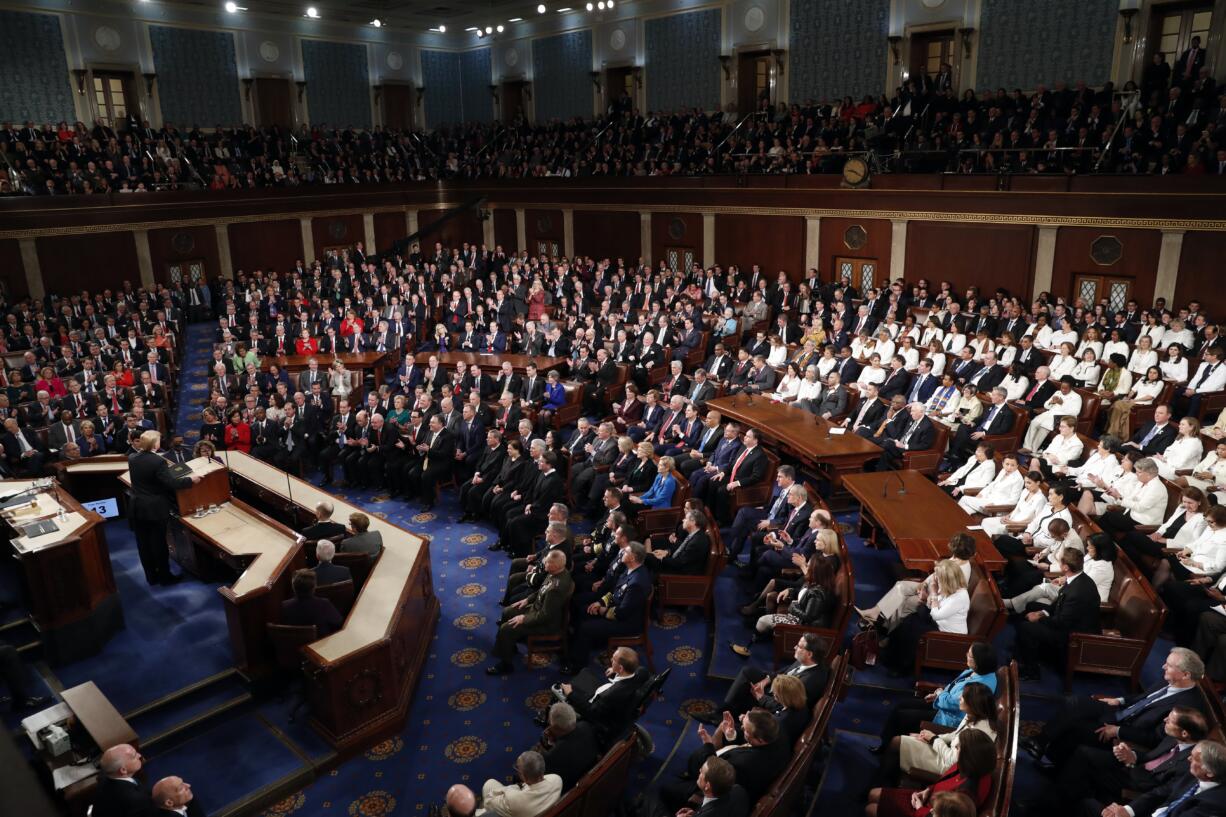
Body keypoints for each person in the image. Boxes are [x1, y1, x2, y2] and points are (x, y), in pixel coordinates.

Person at [1021, 647, 1208, 769]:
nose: (1162, 666)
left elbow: (1155, 738)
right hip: (1122, 712)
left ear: (1185, 674)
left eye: (1169, 665)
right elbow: (1144, 697)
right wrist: (1119, 700)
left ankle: (1053, 762)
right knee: (1075, 702)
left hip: (1129, 730)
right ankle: (1040, 742)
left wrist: (1118, 731)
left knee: (1079, 728)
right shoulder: (1169, 679)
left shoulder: (1186, 709)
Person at [874, 643, 998, 752]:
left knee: (902, 716)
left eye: (969, 655)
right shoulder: (978, 670)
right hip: (942, 705)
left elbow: (952, 704)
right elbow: (953, 686)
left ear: (978, 663)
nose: (966, 655)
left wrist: (940, 694)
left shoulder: (979, 686)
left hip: (948, 718)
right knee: (900, 705)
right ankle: (885, 743)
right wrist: (937, 694)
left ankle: (890, 749)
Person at [865, 729, 995, 817]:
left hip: (926, 810)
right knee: (873, 794)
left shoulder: (966, 795)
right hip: (928, 798)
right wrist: (927, 790)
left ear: (969, 755)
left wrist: (920, 808)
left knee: (870, 809)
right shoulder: (971, 765)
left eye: (958, 747)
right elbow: (944, 782)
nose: (955, 748)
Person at [128, 430, 199, 585]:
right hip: (154, 509)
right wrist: (191, 480)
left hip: (137, 507)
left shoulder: (132, 458)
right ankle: (165, 578)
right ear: (155, 443)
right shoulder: (158, 461)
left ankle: (151, 577)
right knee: (158, 544)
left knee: (144, 544)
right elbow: (171, 483)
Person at [487, 549, 572, 675]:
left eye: (547, 562)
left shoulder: (556, 588)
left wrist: (523, 618)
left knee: (506, 628)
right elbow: (542, 590)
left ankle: (506, 665)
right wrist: (527, 600)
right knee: (507, 612)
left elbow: (545, 616)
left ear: (555, 565)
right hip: (537, 609)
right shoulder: (556, 572)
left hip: (545, 623)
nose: (544, 563)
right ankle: (509, 647)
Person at [881, 560, 970, 673]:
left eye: (938, 577)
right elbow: (931, 606)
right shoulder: (948, 588)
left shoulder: (960, 597)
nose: (935, 579)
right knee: (909, 620)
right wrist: (927, 598)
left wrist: (933, 593)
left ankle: (900, 667)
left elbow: (936, 614)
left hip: (948, 634)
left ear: (947, 579)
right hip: (938, 623)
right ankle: (890, 655)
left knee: (912, 633)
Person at [1097, 740, 1226, 817]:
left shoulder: (1214, 804)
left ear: (1209, 772)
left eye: (1195, 759)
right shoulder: (1193, 774)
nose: (1188, 759)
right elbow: (1160, 792)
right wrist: (1127, 810)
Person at [537, 703, 599, 791]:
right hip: (592, 773)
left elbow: (544, 780)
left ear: (555, 727)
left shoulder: (551, 756)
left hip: (571, 789)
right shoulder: (586, 725)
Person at [479, 751, 562, 817]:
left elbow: (488, 801)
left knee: (489, 784)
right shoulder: (557, 779)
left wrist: (509, 789)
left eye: (517, 768)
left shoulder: (514, 799)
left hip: (519, 807)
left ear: (523, 777)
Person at [93, 743, 155, 817]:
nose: (139, 755)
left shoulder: (105, 775)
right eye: (134, 756)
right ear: (123, 770)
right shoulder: (136, 800)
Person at [280, 569, 341, 636]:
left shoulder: (284, 606)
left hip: (294, 644)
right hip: (321, 643)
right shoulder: (324, 604)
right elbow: (338, 623)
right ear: (314, 587)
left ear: (293, 587)